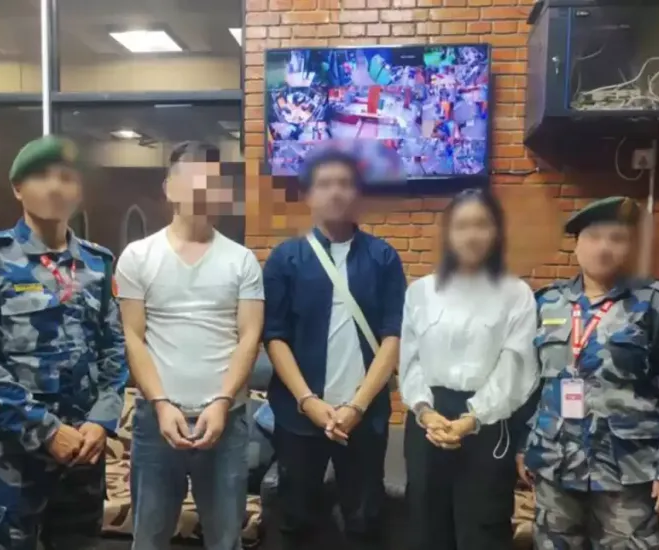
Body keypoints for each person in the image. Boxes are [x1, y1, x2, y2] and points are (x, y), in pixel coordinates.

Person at [0, 135, 129, 550]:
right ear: (17, 188)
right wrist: (44, 430)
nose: (55, 187)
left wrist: (101, 420)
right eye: (41, 176)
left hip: (83, 455)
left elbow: (114, 350)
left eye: (66, 177)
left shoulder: (97, 264)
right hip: (11, 458)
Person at [517, 196, 659, 549]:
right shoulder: (547, 303)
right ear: (576, 245)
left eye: (616, 239)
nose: (603, 248)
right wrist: (523, 446)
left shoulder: (657, 305)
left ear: (629, 248)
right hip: (556, 465)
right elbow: (529, 386)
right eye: (593, 237)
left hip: (627, 471)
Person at [116, 142, 264, 550]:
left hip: (226, 421)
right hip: (156, 421)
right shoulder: (138, 256)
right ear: (169, 188)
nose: (202, 188)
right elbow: (133, 336)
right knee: (148, 538)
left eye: (212, 181)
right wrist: (162, 404)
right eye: (192, 177)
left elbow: (249, 337)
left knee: (225, 540)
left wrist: (222, 402)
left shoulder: (242, 260)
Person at [262, 148, 407, 550]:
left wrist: (357, 406)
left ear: (357, 194)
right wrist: (307, 401)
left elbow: (393, 336)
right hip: (299, 417)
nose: (336, 192)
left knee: (365, 521)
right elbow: (274, 336)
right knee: (295, 521)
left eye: (345, 184)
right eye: (325, 184)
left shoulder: (382, 257)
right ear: (309, 194)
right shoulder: (286, 259)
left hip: (364, 418)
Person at [399, 188, 539, 550]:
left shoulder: (516, 294)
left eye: (482, 225)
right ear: (448, 233)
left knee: (482, 530)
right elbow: (410, 360)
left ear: (496, 232)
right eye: (461, 226)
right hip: (428, 422)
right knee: (426, 527)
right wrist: (424, 411)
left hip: (488, 424)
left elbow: (516, 366)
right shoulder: (421, 292)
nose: (471, 235)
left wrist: (472, 418)